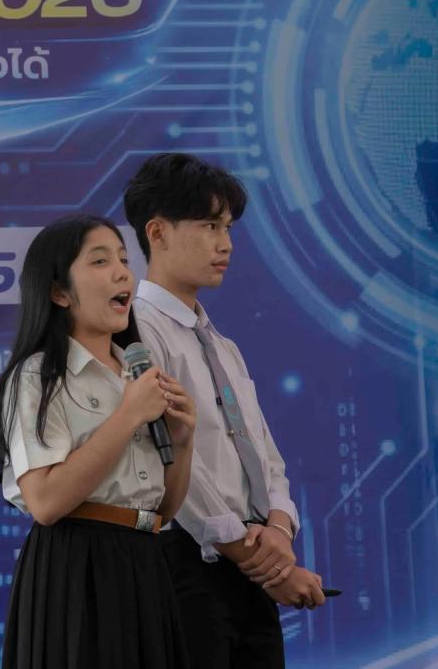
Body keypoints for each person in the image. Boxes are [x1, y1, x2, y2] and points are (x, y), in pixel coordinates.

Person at [123, 154, 326, 668]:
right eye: (209, 226)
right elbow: (169, 460)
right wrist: (263, 562)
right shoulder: (137, 333)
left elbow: (264, 452)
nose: (226, 244)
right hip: (187, 562)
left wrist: (279, 528)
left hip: (252, 559)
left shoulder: (223, 345)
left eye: (228, 228)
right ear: (157, 232)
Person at [0, 214, 196, 669]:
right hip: (77, 567)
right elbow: (45, 502)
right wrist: (128, 416)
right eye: (100, 262)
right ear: (59, 292)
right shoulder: (38, 376)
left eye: (124, 259)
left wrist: (182, 442)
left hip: (146, 561)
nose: (122, 273)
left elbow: (163, 510)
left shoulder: (139, 376)